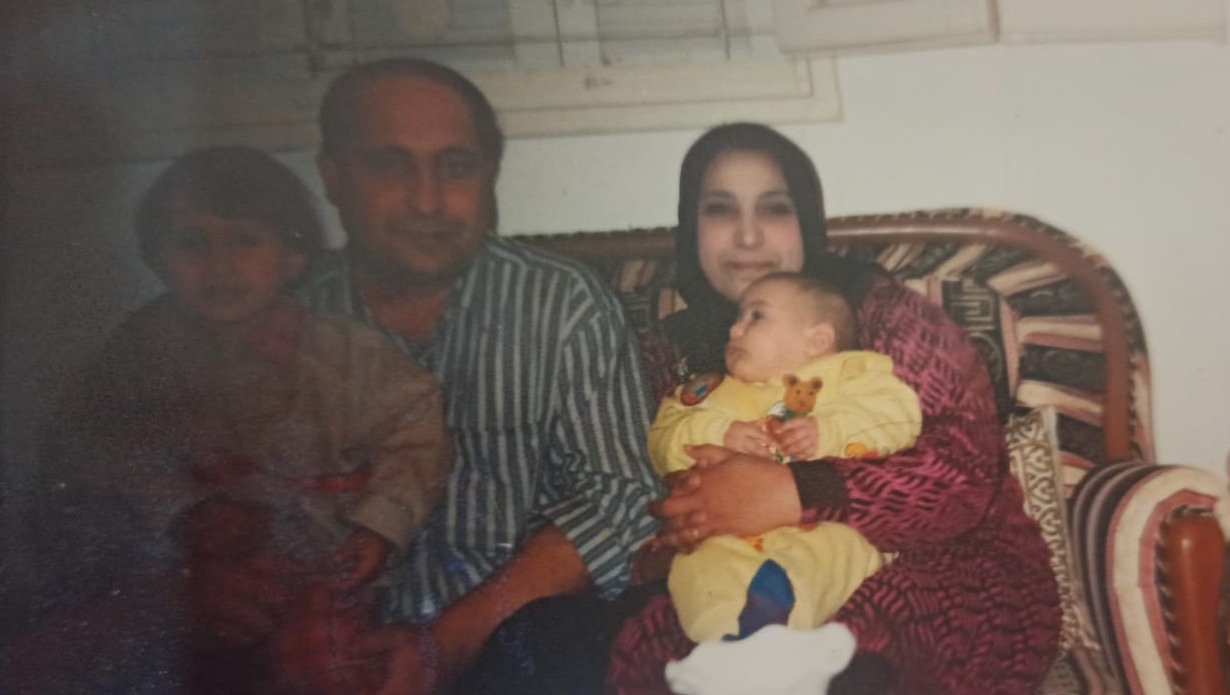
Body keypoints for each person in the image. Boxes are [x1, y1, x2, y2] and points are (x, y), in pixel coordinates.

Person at [606, 122, 1062, 694]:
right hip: (731, 570)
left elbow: (964, 473)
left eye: (774, 209)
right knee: (654, 654)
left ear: (806, 221)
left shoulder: (880, 312)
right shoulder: (665, 351)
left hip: (934, 562)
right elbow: (621, 490)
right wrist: (673, 537)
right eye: (720, 210)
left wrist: (795, 490)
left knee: (851, 662)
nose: (747, 236)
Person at [23, 146, 452, 694]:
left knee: (329, 665)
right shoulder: (140, 353)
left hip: (320, 563)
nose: (219, 266)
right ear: (156, 257)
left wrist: (380, 526)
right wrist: (182, 510)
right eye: (192, 244)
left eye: (244, 242)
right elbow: (100, 449)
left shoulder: (346, 354)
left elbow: (415, 427)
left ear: (292, 257)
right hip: (190, 571)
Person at [295, 57, 662, 693]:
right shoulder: (271, 322)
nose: (428, 200)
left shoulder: (561, 304)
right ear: (334, 177)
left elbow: (624, 500)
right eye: (391, 165)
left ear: (490, 173)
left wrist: (445, 644)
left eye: (456, 166)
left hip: (505, 651)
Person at [650, 271, 921, 644]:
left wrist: (829, 431)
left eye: (756, 316)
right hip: (727, 532)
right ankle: (727, 645)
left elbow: (900, 415)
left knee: (836, 553)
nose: (734, 330)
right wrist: (718, 431)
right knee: (699, 565)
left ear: (818, 339)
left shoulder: (849, 375)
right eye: (737, 318)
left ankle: (777, 628)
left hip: (822, 526)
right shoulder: (712, 392)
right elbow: (661, 437)